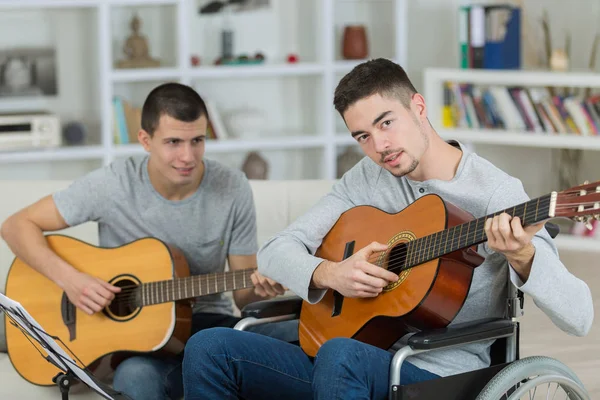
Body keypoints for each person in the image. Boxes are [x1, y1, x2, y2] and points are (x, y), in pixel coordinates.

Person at [181, 58, 594, 399]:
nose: (379, 146)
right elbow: (275, 250)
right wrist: (331, 274)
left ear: (418, 106)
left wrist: (523, 256)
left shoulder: (496, 193)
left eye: (386, 123)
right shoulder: (368, 178)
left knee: (340, 355)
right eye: (363, 135)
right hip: (347, 361)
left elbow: (580, 317)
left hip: (436, 375)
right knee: (209, 345)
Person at [0, 82, 294, 400]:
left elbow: (243, 299)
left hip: (208, 325)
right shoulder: (113, 183)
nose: (188, 156)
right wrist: (72, 281)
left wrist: (263, 285)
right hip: (139, 345)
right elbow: (16, 225)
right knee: (136, 378)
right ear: (145, 140)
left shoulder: (232, 187)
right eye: (173, 142)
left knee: (293, 335)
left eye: (197, 140)